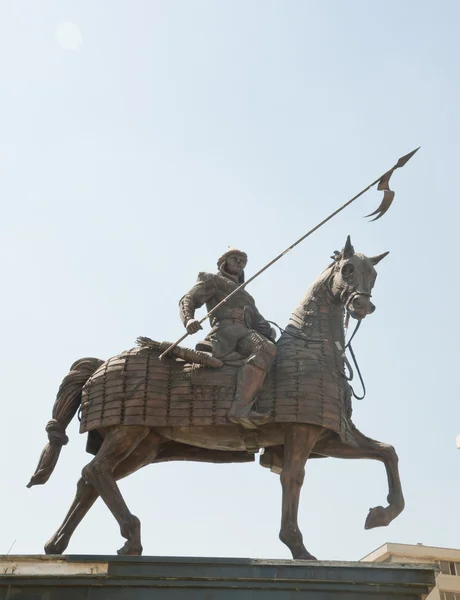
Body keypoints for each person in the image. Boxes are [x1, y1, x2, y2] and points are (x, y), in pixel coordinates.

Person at [179, 249, 276, 428]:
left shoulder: (247, 296)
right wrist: (189, 319)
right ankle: (240, 410)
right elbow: (188, 299)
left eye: (242, 261)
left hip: (246, 332)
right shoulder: (212, 279)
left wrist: (267, 328)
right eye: (235, 258)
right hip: (225, 332)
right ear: (223, 262)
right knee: (266, 348)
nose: (239, 262)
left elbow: (258, 321)